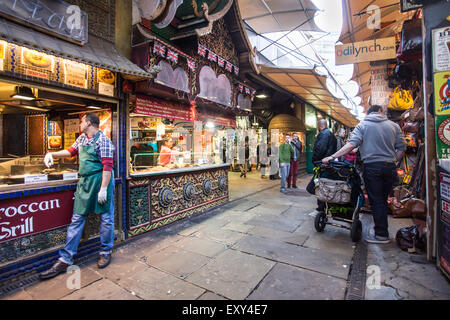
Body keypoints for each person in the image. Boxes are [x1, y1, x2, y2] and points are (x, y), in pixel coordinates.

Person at [39, 113, 116, 280]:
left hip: (101, 180)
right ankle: (66, 258)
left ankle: (105, 251)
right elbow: (70, 152)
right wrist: (51, 154)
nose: (80, 123)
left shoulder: (104, 142)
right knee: (77, 219)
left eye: (82, 121)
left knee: (106, 218)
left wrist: (103, 189)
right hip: (85, 182)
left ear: (88, 123)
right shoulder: (82, 138)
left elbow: (107, 168)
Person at [322, 105, 406, 244]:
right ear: (380, 112)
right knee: (383, 199)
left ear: (369, 113)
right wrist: (394, 160)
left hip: (372, 167)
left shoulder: (363, 126)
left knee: (376, 200)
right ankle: (382, 229)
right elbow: (402, 147)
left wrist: (332, 157)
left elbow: (351, 145)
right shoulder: (394, 126)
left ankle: (381, 235)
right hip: (390, 167)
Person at [312, 119, 337, 212]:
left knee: (321, 185)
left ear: (319, 126)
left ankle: (321, 207)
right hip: (329, 163)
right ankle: (326, 205)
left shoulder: (323, 134)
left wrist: (315, 160)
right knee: (327, 184)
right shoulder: (331, 135)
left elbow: (320, 148)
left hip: (322, 164)